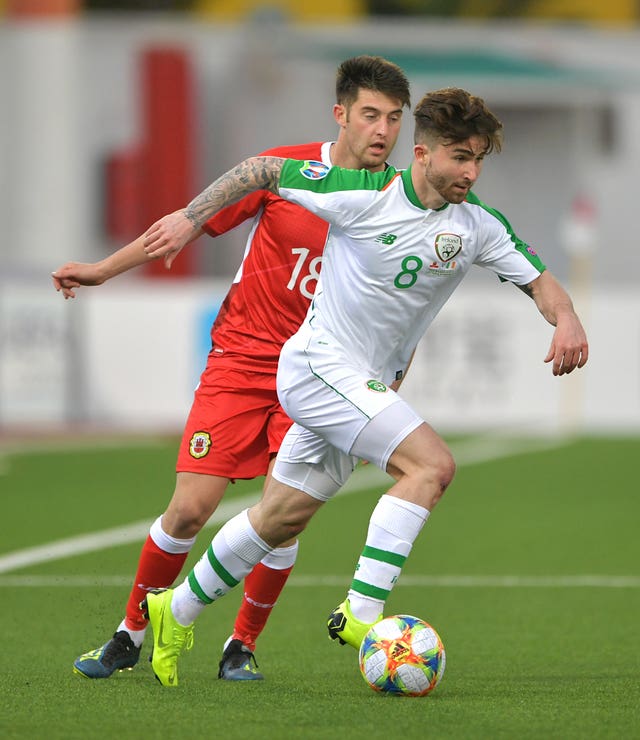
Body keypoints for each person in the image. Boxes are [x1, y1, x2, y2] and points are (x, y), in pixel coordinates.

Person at [134, 86, 589, 687]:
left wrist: (568, 319)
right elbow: (259, 170)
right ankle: (363, 612)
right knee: (431, 466)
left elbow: (542, 285)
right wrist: (190, 217)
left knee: (280, 518)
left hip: (360, 385)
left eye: (479, 158)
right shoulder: (360, 195)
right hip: (317, 367)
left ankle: (176, 610)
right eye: (460, 156)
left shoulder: (478, 226)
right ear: (422, 153)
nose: (471, 172)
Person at [51, 55, 412, 681]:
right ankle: (130, 634)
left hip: (328, 373)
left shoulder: (397, 202)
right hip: (244, 358)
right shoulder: (287, 170)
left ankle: (241, 645)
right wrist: (103, 269)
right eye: (371, 115)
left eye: (395, 119)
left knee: (285, 514)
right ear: (342, 115)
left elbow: (407, 304)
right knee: (190, 508)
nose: (383, 130)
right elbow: (180, 227)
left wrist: (385, 385)